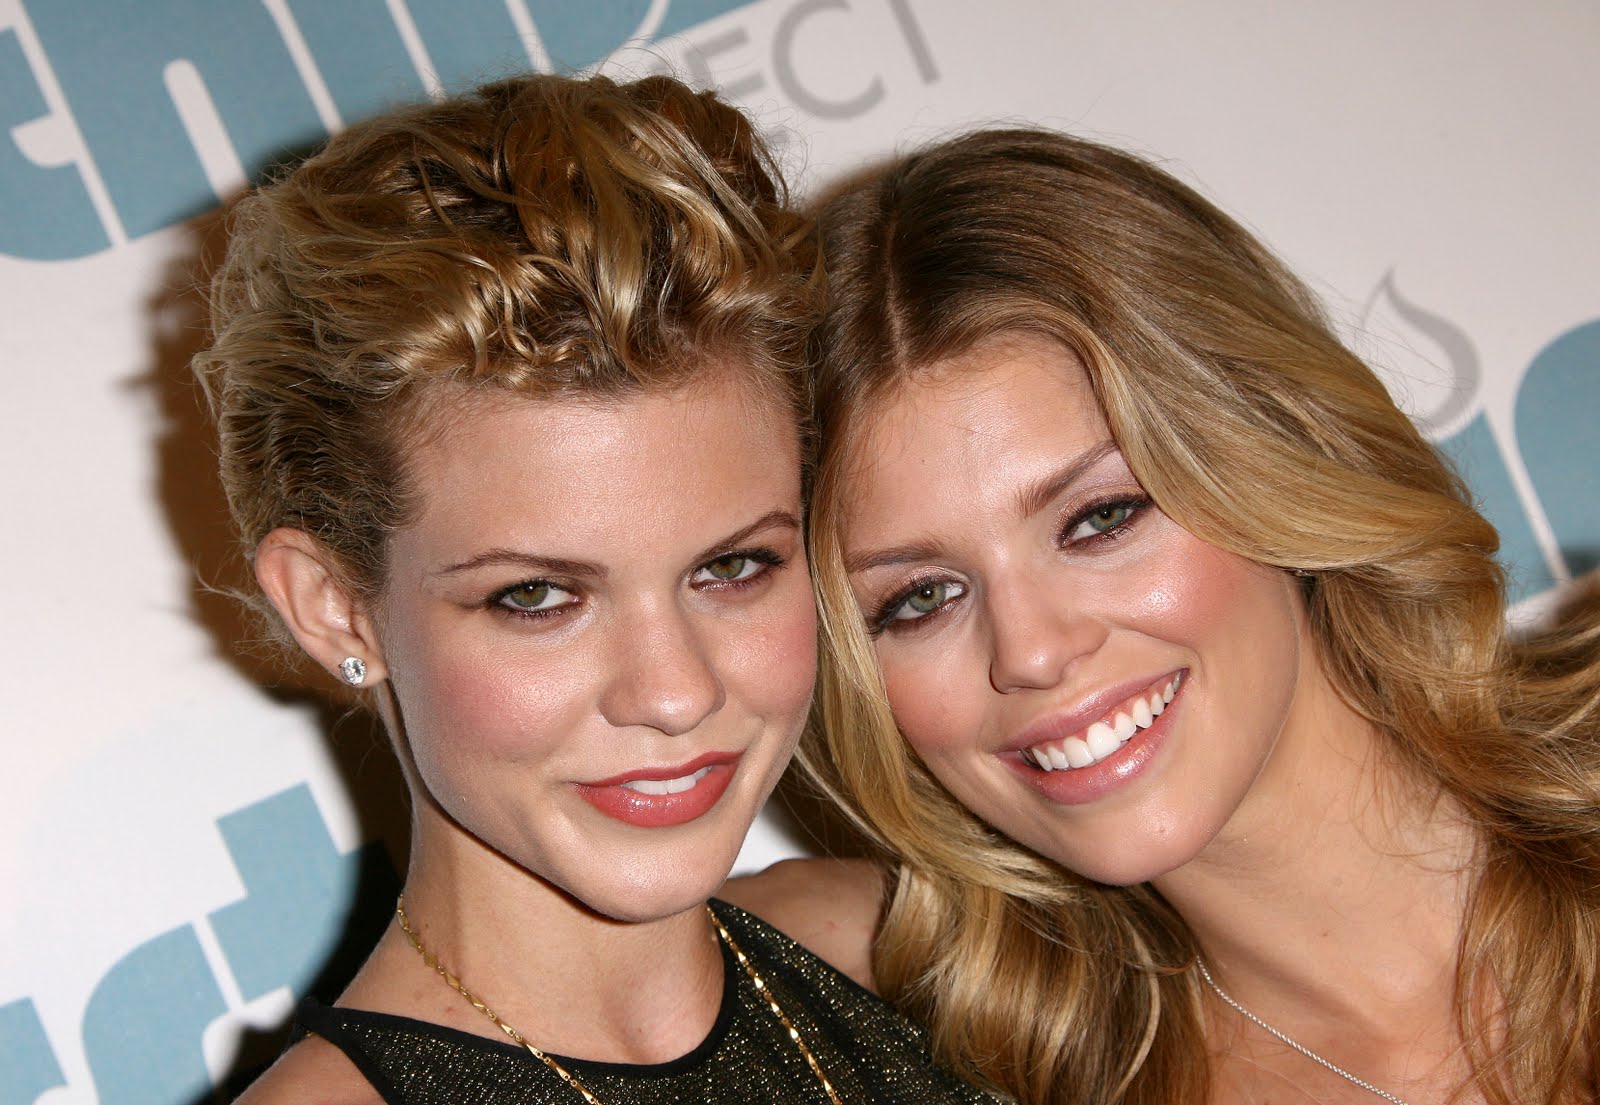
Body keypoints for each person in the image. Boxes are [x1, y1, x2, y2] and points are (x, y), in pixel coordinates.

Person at [193, 72, 991, 1104]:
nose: (675, 693)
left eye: (732, 567)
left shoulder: (930, 962)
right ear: (335, 605)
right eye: (537, 597)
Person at [799, 128, 1600, 1105]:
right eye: (920, 597)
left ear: (1270, 453)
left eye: (1100, 518)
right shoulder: (986, 1066)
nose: (1033, 651)